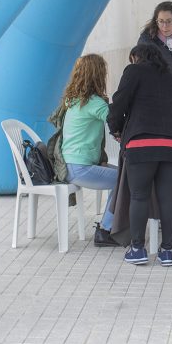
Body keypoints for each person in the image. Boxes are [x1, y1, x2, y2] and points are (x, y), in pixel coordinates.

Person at [107, 43, 172, 267]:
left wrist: (117, 128)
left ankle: (137, 249)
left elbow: (119, 103)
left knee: (139, 196)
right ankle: (167, 252)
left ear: (136, 57)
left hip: (142, 140)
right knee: (168, 197)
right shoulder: (170, 78)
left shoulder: (134, 70)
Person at [59, 54, 120, 247]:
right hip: (80, 168)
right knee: (125, 179)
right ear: (99, 75)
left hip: (69, 165)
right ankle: (105, 230)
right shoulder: (94, 103)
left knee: (123, 175)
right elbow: (116, 124)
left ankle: (112, 225)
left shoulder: (74, 100)